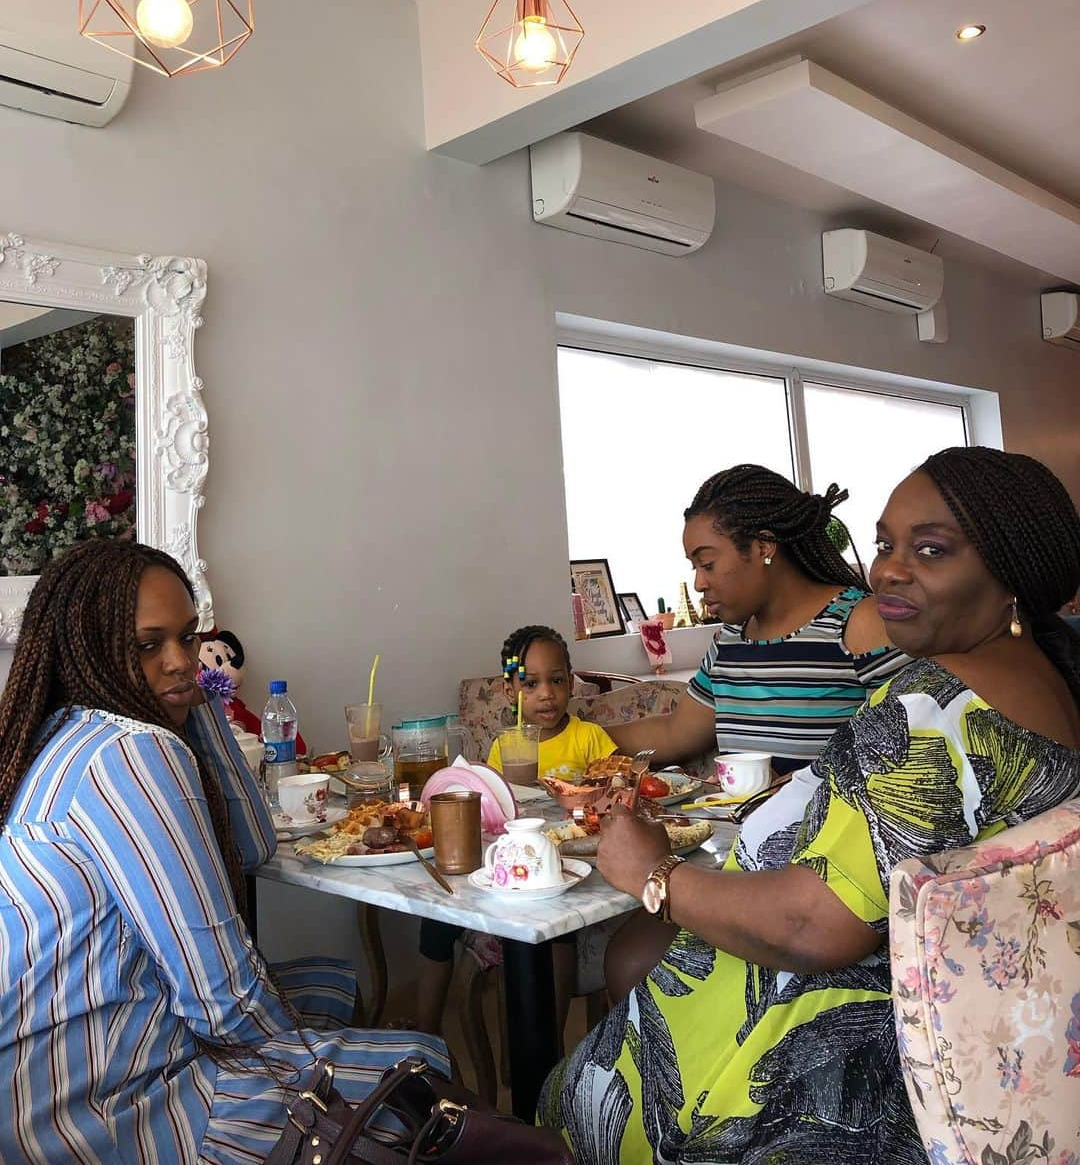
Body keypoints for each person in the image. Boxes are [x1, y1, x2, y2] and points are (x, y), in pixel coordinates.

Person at [538, 447, 1080, 1163]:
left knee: (558, 1103)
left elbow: (812, 925)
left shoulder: (932, 712)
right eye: (884, 544)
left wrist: (654, 874)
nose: (887, 569)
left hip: (820, 1054)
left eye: (930, 550)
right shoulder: (1032, 678)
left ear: (1010, 569)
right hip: (948, 1030)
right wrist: (579, 740)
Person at [0, 540, 447, 1164]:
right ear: (91, 649)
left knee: (329, 983)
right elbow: (223, 1000)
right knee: (421, 1069)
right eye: (147, 645)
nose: (180, 661)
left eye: (189, 637)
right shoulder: (128, 754)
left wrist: (198, 699)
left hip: (41, 1092)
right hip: (111, 1111)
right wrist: (314, 1079)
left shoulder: (61, 733)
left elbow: (254, 847)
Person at [615, 465, 910, 774]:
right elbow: (674, 733)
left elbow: (904, 752)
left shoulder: (857, 624)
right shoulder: (728, 642)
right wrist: (579, 736)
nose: (699, 583)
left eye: (708, 564)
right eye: (695, 568)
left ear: (763, 547)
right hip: (743, 821)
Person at [416, 625, 617, 1038]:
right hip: (509, 866)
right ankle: (424, 1035)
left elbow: (614, 789)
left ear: (570, 682)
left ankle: (548, 1045)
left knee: (555, 935)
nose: (546, 694)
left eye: (557, 681)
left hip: (563, 864)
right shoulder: (504, 747)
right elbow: (494, 810)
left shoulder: (589, 737)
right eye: (530, 683)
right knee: (435, 918)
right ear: (510, 691)